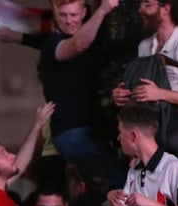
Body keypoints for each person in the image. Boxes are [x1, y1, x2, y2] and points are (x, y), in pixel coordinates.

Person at [112, 0, 178, 147]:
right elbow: (145, 92)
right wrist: (124, 95)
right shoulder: (145, 46)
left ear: (165, 9)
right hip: (159, 134)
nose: (140, 10)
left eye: (147, 5)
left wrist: (160, 93)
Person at [37, 0, 120, 163]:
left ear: (83, 13)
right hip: (72, 132)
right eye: (63, 15)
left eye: (73, 14)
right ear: (55, 16)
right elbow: (78, 45)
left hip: (92, 129)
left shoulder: (93, 39)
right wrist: (102, 10)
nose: (68, 20)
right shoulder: (53, 44)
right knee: (112, 177)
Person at [107, 104, 178, 206]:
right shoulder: (134, 168)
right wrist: (112, 199)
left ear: (134, 136)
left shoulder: (173, 167)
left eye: (121, 132)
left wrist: (150, 203)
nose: (118, 138)